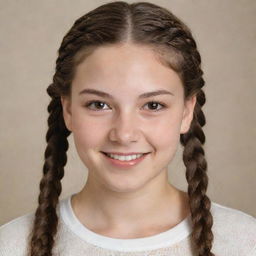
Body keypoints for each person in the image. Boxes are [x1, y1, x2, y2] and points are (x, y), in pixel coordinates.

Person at [0, 1, 255, 256]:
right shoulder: (10, 246)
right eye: (99, 104)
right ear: (68, 110)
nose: (124, 134)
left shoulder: (246, 242)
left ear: (187, 111)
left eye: (153, 105)